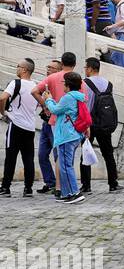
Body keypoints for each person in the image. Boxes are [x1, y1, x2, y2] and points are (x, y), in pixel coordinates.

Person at [31, 51, 75, 195]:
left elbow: (34, 91)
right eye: (47, 67)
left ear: (60, 67)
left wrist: (47, 105)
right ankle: (52, 183)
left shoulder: (56, 79)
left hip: (58, 121)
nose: (48, 70)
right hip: (48, 121)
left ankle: (61, 186)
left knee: (59, 156)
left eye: (51, 68)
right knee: (44, 155)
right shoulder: (56, 80)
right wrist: (45, 106)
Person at [42, 70, 87, 204]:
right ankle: (67, 193)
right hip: (73, 135)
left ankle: (74, 193)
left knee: (65, 166)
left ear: (67, 85)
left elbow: (55, 110)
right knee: (65, 165)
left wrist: (48, 99)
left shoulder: (68, 97)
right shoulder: (78, 96)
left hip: (67, 136)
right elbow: (61, 109)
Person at [78, 57, 120, 194]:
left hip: (90, 123)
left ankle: (86, 185)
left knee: (85, 153)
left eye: (85, 68)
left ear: (90, 68)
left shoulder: (84, 84)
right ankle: (113, 183)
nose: (85, 70)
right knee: (108, 154)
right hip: (104, 122)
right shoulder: (108, 83)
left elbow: (84, 104)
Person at [0, 56, 39, 197]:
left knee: (10, 157)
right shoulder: (36, 86)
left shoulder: (16, 83)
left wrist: (3, 112)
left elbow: (2, 98)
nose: (16, 68)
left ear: (24, 69)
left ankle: (5, 188)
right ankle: (28, 189)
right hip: (30, 127)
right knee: (28, 158)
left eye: (18, 66)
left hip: (15, 125)